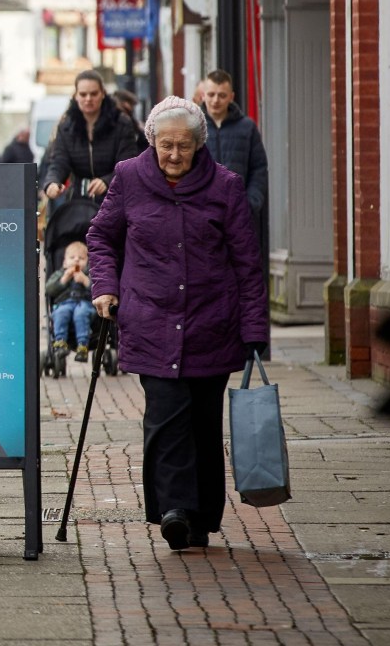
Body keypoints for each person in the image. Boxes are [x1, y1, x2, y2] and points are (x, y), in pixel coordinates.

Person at [86, 96, 268, 552]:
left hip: (212, 322)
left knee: (205, 425)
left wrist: (254, 332)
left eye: (183, 146)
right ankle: (175, 511)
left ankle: (203, 515)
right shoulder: (128, 178)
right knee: (166, 418)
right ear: (151, 141)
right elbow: (101, 236)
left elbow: (248, 263)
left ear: (199, 144)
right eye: (165, 145)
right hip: (150, 319)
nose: (173, 155)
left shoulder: (225, 186)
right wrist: (104, 287)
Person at [42, 70, 144, 203]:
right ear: (75, 96)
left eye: (94, 94)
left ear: (103, 94)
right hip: (78, 201)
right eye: (83, 94)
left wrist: (107, 181)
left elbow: (128, 163)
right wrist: (52, 182)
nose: (88, 99)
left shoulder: (121, 123)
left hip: (115, 199)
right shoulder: (66, 126)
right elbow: (60, 162)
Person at [197, 70, 268, 242]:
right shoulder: (193, 127)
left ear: (231, 96)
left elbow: (259, 169)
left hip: (239, 216)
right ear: (203, 95)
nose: (215, 100)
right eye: (211, 94)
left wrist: (250, 203)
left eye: (222, 95)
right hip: (201, 215)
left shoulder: (247, 128)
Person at [45, 239, 96, 362]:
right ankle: (60, 342)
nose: (76, 260)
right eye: (72, 257)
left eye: (81, 258)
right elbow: (49, 290)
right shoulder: (60, 274)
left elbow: (98, 290)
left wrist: (85, 281)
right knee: (60, 312)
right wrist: (64, 279)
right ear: (64, 262)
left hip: (85, 304)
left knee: (81, 312)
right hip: (65, 303)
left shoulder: (90, 274)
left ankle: (82, 345)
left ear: (88, 262)